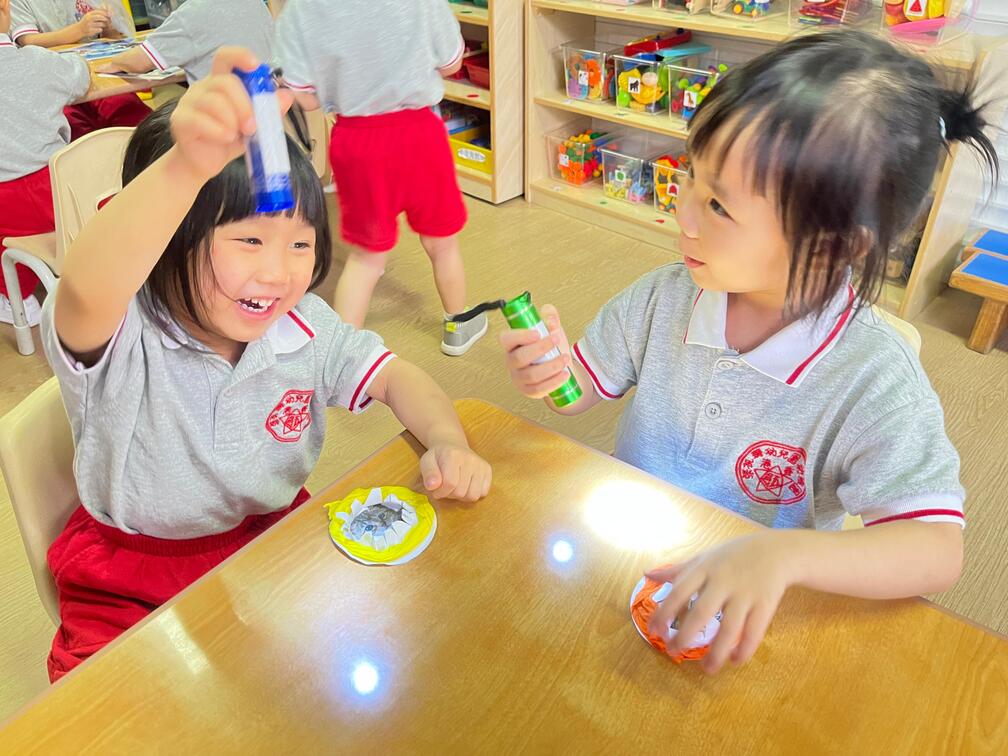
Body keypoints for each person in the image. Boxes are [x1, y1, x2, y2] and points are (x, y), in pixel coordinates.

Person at [500, 31, 998, 674]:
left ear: (834, 246)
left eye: (718, 205)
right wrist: (548, 371)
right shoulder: (663, 296)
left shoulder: (874, 380)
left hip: (750, 617)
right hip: (631, 559)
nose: (682, 214)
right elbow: (581, 392)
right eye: (690, 177)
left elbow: (936, 552)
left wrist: (780, 556)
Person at [40, 48, 492, 681]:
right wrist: (187, 167)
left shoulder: (303, 326)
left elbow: (396, 376)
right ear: (167, 241)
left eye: (300, 243)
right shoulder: (123, 331)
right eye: (249, 239)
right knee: (108, 709)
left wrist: (446, 439)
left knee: (348, 667)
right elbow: (87, 287)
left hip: (271, 537)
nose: (278, 273)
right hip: (132, 576)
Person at [274, 0, 488, 356]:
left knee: (367, 257)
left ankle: (342, 354)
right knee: (441, 243)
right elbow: (452, 63)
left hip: (356, 141)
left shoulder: (302, 8)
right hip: (419, 135)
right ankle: (458, 325)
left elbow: (306, 100)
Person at [0, 0, 90, 325]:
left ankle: (16, 298)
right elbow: (82, 76)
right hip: (60, 194)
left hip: (7, 207)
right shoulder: (39, 61)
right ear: (5, 9)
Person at [97, 0, 273, 85]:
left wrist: (113, 63)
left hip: (223, 124)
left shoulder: (192, 14)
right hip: (270, 114)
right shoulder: (256, 3)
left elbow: (138, 62)